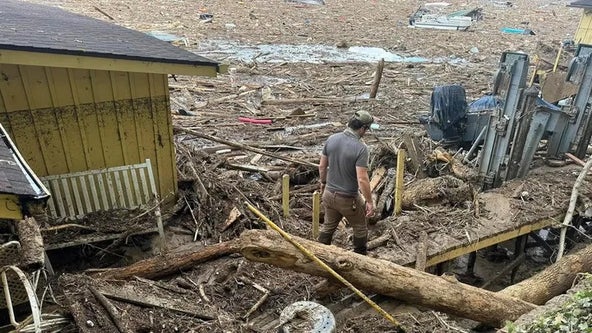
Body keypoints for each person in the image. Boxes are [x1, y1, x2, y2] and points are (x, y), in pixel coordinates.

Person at [317, 110, 375, 255]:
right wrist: (369, 201)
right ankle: (360, 258)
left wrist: (323, 183)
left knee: (328, 226)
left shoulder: (331, 139)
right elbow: (362, 178)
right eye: (366, 129)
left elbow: (322, 166)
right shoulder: (361, 148)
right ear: (362, 128)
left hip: (329, 194)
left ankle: (320, 255)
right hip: (348, 199)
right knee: (360, 227)